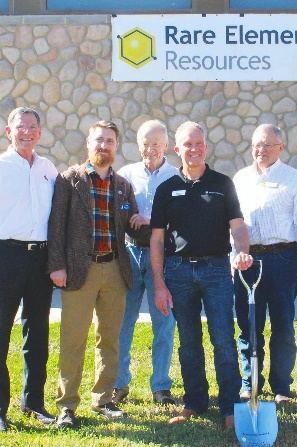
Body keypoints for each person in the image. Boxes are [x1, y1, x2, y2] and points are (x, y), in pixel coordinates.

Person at [150, 121, 252, 429]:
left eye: (199, 144)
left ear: (205, 147)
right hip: (178, 273)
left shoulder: (222, 184)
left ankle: (230, 408)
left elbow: (238, 226)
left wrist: (242, 251)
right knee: (189, 342)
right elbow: (156, 239)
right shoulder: (166, 188)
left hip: (217, 270)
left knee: (223, 340)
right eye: (187, 145)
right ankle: (194, 402)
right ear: (176, 150)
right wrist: (158, 284)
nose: (193, 149)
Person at [47, 120, 144, 429]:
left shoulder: (123, 184)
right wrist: (57, 265)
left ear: (116, 146)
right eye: (99, 140)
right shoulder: (69, 180)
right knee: (73, 339)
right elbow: (56, 225)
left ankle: (104, 399)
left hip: (115, 268)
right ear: (88, 144)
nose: (104, 146)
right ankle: (67, 405)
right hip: (78, 270)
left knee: (110, 339)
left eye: (110, 141)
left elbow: (130, 224)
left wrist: (142, 222)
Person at [0, 107, 58, 432]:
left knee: (37, 335)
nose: (27, 132)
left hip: (39, 261)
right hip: (4, 258)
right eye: (21, 127)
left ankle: (33, 402)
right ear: (9, 131)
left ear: (40, 131)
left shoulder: (48, 168)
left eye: (33, 127)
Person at [233, 124, 297, 405]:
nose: (261, 150)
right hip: (248, 262)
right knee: (248, 326)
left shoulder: (294, 179)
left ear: (281, 148)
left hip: (283, 259)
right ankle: (250, 383)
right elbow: (231, 223)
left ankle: (281, 386)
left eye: (268, 145)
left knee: (283, 325)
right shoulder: (241, 179)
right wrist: (233, 257)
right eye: (257, 144)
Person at [113, 120, 178, 406]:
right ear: (137, 145)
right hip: (129, 254)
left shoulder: (177, 177)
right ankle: (118, 385)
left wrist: (152, 220)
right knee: (122, 323)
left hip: (163, 258)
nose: (150, 149)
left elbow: (184, 220)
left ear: (166, 145)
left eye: (155, 144)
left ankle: (161, 387)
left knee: (163, 323)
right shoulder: (125, 175)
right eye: (145, 144)